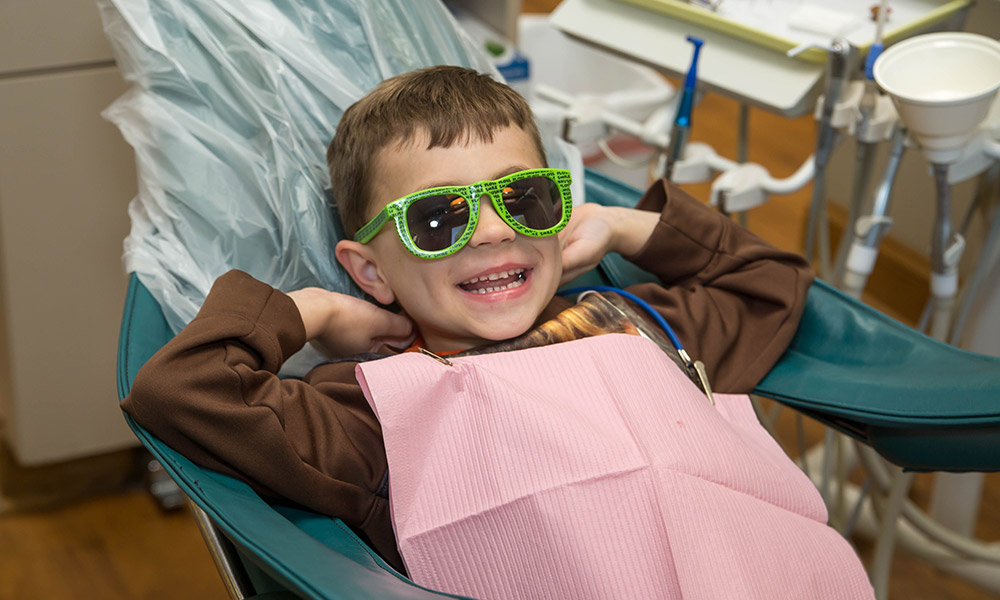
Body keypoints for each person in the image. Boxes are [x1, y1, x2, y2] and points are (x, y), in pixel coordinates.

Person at [124, 66, 863, 596]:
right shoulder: (374, 409)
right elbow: (182, 389)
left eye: (526, 197)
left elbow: (767, 285)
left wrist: (621, 225)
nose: (491, 232)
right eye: (438, 218)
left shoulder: (638, 325)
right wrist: (315, 310)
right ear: (370, 270)